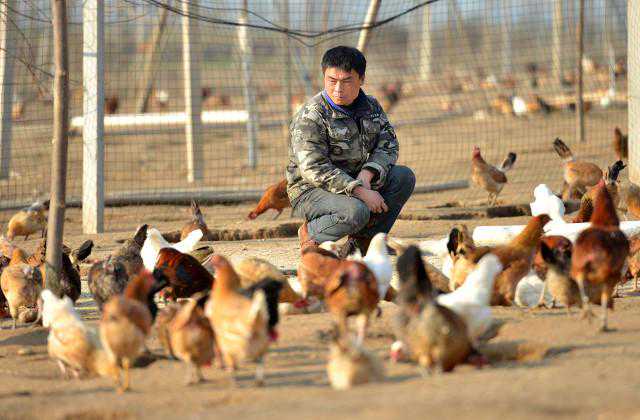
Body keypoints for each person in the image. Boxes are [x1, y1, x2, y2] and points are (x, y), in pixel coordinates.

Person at [286, 46, 415, 257]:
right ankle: (311, 233)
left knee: (403, 177)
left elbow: (388, 144)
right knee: (357, 211)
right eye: (331, 81)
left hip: (356, 179)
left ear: (361, 79)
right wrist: (360, 191)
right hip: (310, 190)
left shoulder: (371, 107)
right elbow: (314, 169)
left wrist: (367, 174)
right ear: (324, 77)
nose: (338, 89)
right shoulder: (311, 115)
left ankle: (364, 240)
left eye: (346, 81)